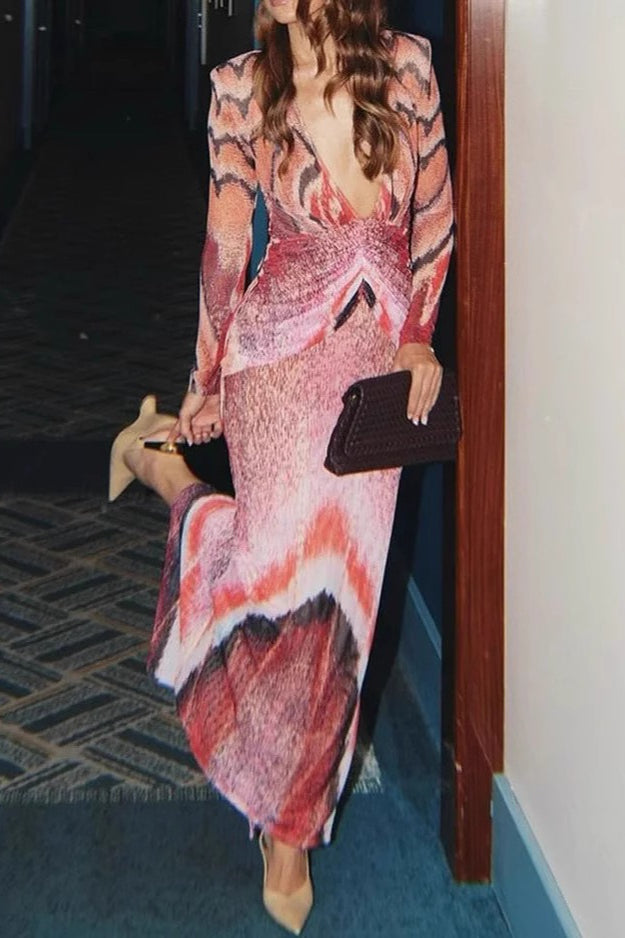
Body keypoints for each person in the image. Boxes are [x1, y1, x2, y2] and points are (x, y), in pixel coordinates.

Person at [109, 0, 453, 932]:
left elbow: (432, 220)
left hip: (376, 377)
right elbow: (227, 245)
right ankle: (169, 466)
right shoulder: (239, 87)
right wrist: (205, 380)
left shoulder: (409, 68)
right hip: (275, 359)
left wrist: (418, 338)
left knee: (339, 603)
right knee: (270, 577)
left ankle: (289, 824)